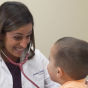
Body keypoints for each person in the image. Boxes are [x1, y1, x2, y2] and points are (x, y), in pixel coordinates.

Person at [0, 1, 61, 88]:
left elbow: (59, 84)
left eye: (28, 36)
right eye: (17, 37)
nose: (24, 45)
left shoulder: (38, 57)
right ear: (1, 35)